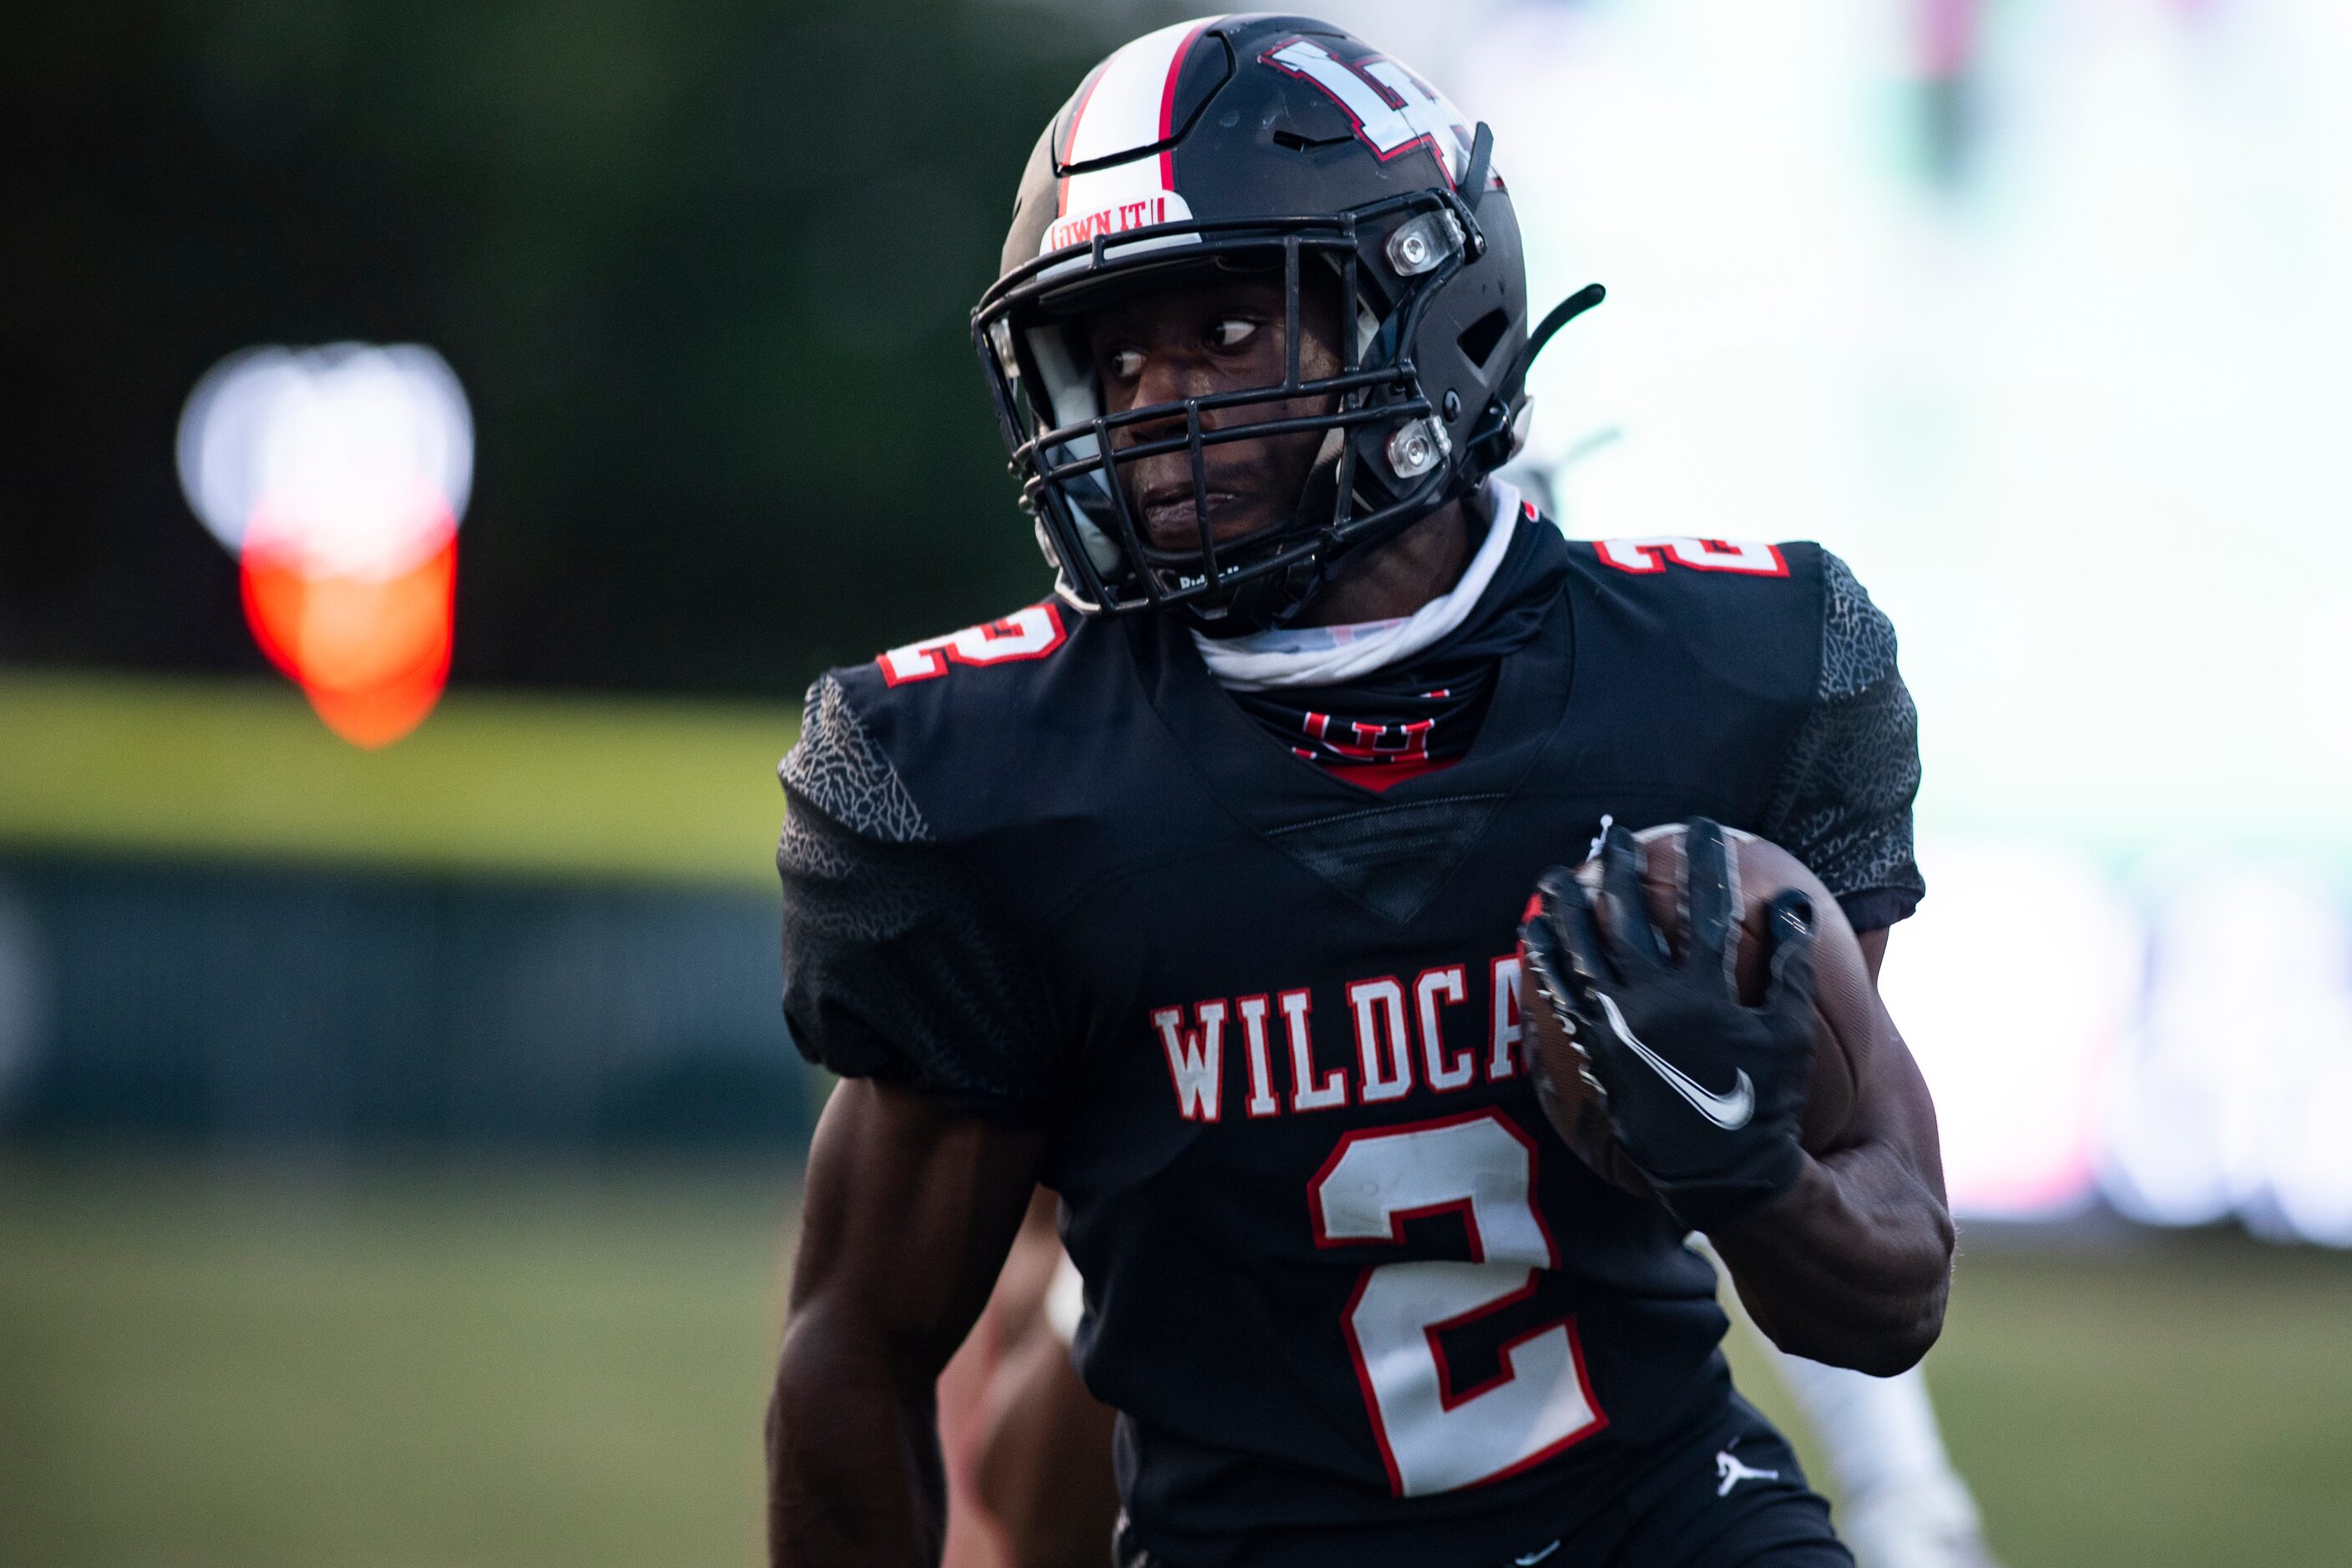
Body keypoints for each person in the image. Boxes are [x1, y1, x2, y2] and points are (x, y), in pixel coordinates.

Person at [766, 17, 1954, 1568]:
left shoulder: (1723, 676)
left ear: (1424, 299)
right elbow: (856, 1352)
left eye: (1226, 334)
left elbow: (1892, 1295)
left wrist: (1744, 1167)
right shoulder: (981, 781)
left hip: (1655, 1520)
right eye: (1113, 355)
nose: (1155, 408)